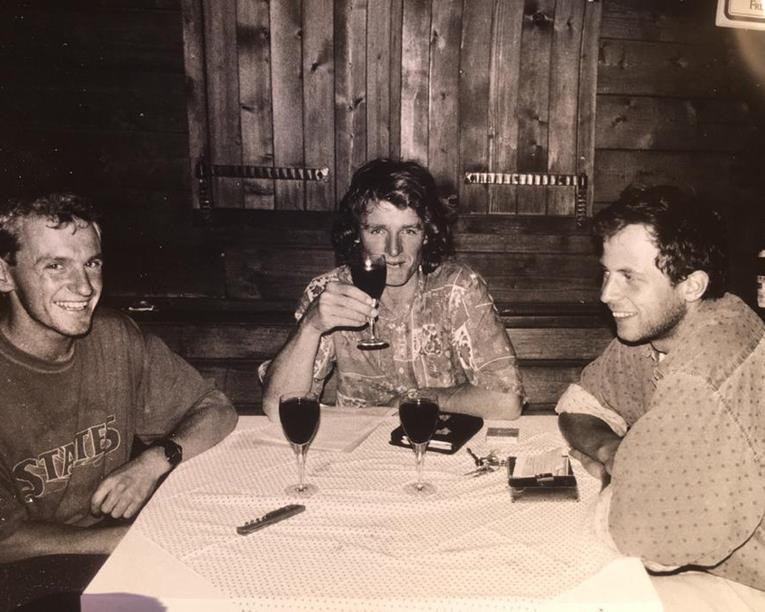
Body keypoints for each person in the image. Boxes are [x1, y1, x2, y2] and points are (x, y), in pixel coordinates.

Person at [0, 193, 237, 605]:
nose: (84, 287)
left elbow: (217, 409)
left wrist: (154, 461)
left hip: (109, 552)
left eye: (91, 263)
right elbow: (6, 540)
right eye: (56, 266)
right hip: (24, 579)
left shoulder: (114, 337)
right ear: (5, 275)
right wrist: (125, 539)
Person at [556, 185, 764, 592]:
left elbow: (642, 537)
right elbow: (578, 405)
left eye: (629, 277)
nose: (606, 295)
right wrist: (611, 451)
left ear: (692, 285)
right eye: (606, 273)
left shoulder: (703, 372)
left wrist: (620, 476)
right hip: (700, 562)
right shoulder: (658, 331)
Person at [263, 158, 524, 420]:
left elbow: (506, 401)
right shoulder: (330, 292)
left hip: (437, 439)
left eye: (409, 231)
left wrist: (409, 400)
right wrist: (311, 326)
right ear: (357, 233)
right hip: (357, 442)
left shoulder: (458, 289)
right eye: (378, 231)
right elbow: (276, 409)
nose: (394, 249)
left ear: (427, 234)